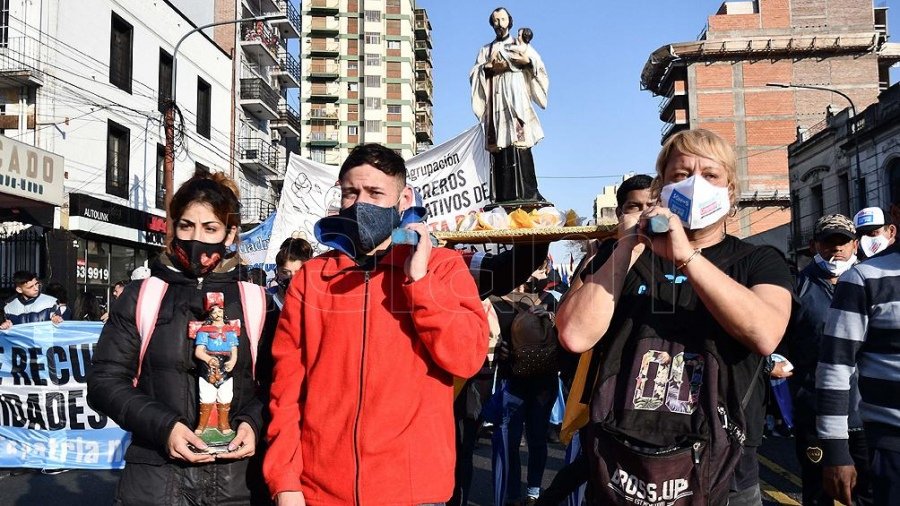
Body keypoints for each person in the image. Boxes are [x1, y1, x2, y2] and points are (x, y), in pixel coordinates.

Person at [556, 129, 793, 505]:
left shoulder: (758, 261)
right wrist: (629, 247)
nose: (696, 185)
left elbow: (764, 334)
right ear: (661, 190)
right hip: (622, 466)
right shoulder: (624, 258)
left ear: (730, 194)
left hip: (724, 475)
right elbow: (573, 334)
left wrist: (688, 257)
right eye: (681, 175)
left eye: (711, 176)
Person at [264, 144, 489, 505]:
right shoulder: (311, 278)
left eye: (375, 193)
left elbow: (467, 358)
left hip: (413, 491)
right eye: (350, 192)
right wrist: (285, 479)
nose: (359, 204)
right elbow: (287, 389)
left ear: (404, 200)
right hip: (321, 490)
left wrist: (419, 281)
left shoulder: (443, 267)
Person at [87, 167, 266, 504]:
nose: (196, 237)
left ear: (230, 234)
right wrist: (164, 426)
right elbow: (104, 382)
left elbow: (279, 386)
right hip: (155, 479)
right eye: (186, 225)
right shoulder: (141, 296)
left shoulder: (255, 301)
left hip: (237, 482)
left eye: (210, 228)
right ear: (172, 228)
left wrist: (252, 424)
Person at [535, 174, 654, 506]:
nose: (644, 213)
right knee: (597, 462)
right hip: (607, 388)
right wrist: (604, 258)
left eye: (651, 205)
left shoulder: (675, 255)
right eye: (635, 206)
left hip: (652, 395)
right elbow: (570, 325)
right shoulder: (606, 257)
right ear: (619, 213)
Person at [817, 200, 900, 505]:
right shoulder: (863, 279)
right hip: (892, 448)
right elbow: (835, 367)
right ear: (897, 214)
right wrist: (835, 450)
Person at [787, 214, 872, 505]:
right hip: (816, 411)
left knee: (870, 491)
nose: (836, 249)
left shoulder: (870, 283)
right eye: (828, 242)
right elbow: (780, 344)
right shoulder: (796, 288)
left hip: (866, 411)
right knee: (817, 491)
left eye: (842, 242)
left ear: (855, 245)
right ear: (813, 246)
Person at [470, 7, 549, 204]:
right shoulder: (485, 50)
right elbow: (475, 71)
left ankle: (528, 192)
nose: (499, 24)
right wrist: (486, 67)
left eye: (503, 19)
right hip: (496, 101)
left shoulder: (519, 44)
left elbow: (536, 64)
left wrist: (526, 62)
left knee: (520, 141)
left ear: (509, 21)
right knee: (499, 144)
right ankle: (502, 195)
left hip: (515, 97)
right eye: (496, 20)